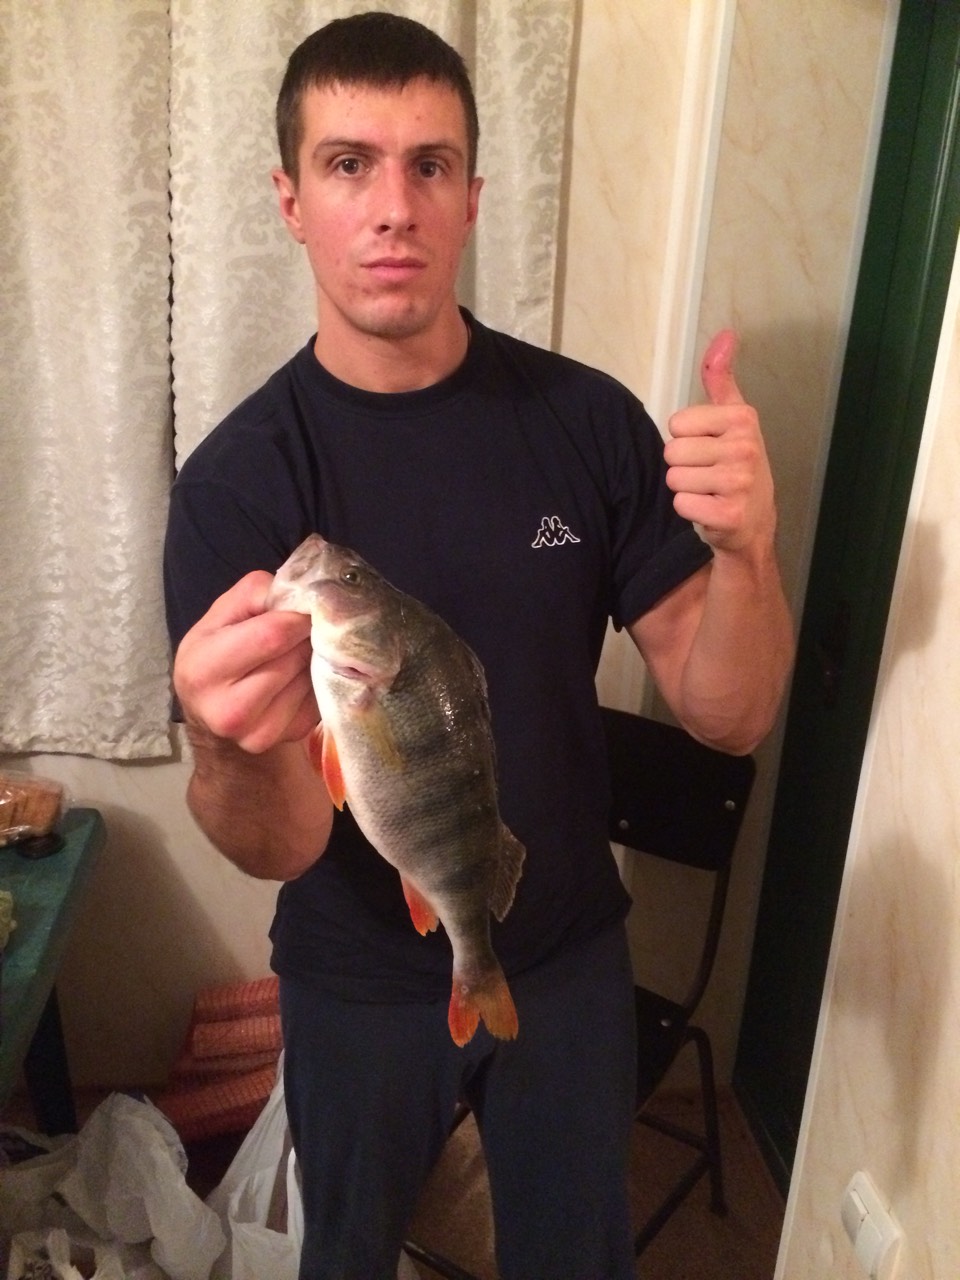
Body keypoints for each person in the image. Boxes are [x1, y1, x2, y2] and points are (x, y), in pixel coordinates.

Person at [164, 12, 794, 1279]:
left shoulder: (587, 421)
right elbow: (280, 843)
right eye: (349, 164)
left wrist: (749, 553)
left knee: (579, 1256)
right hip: (352, 972)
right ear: (291, 201)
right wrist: (227, 749)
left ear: (472, 199)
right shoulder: (239, 483)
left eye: (430, 165)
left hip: (563, 948)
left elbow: (728, 712)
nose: (393, 207)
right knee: (349, 1254)